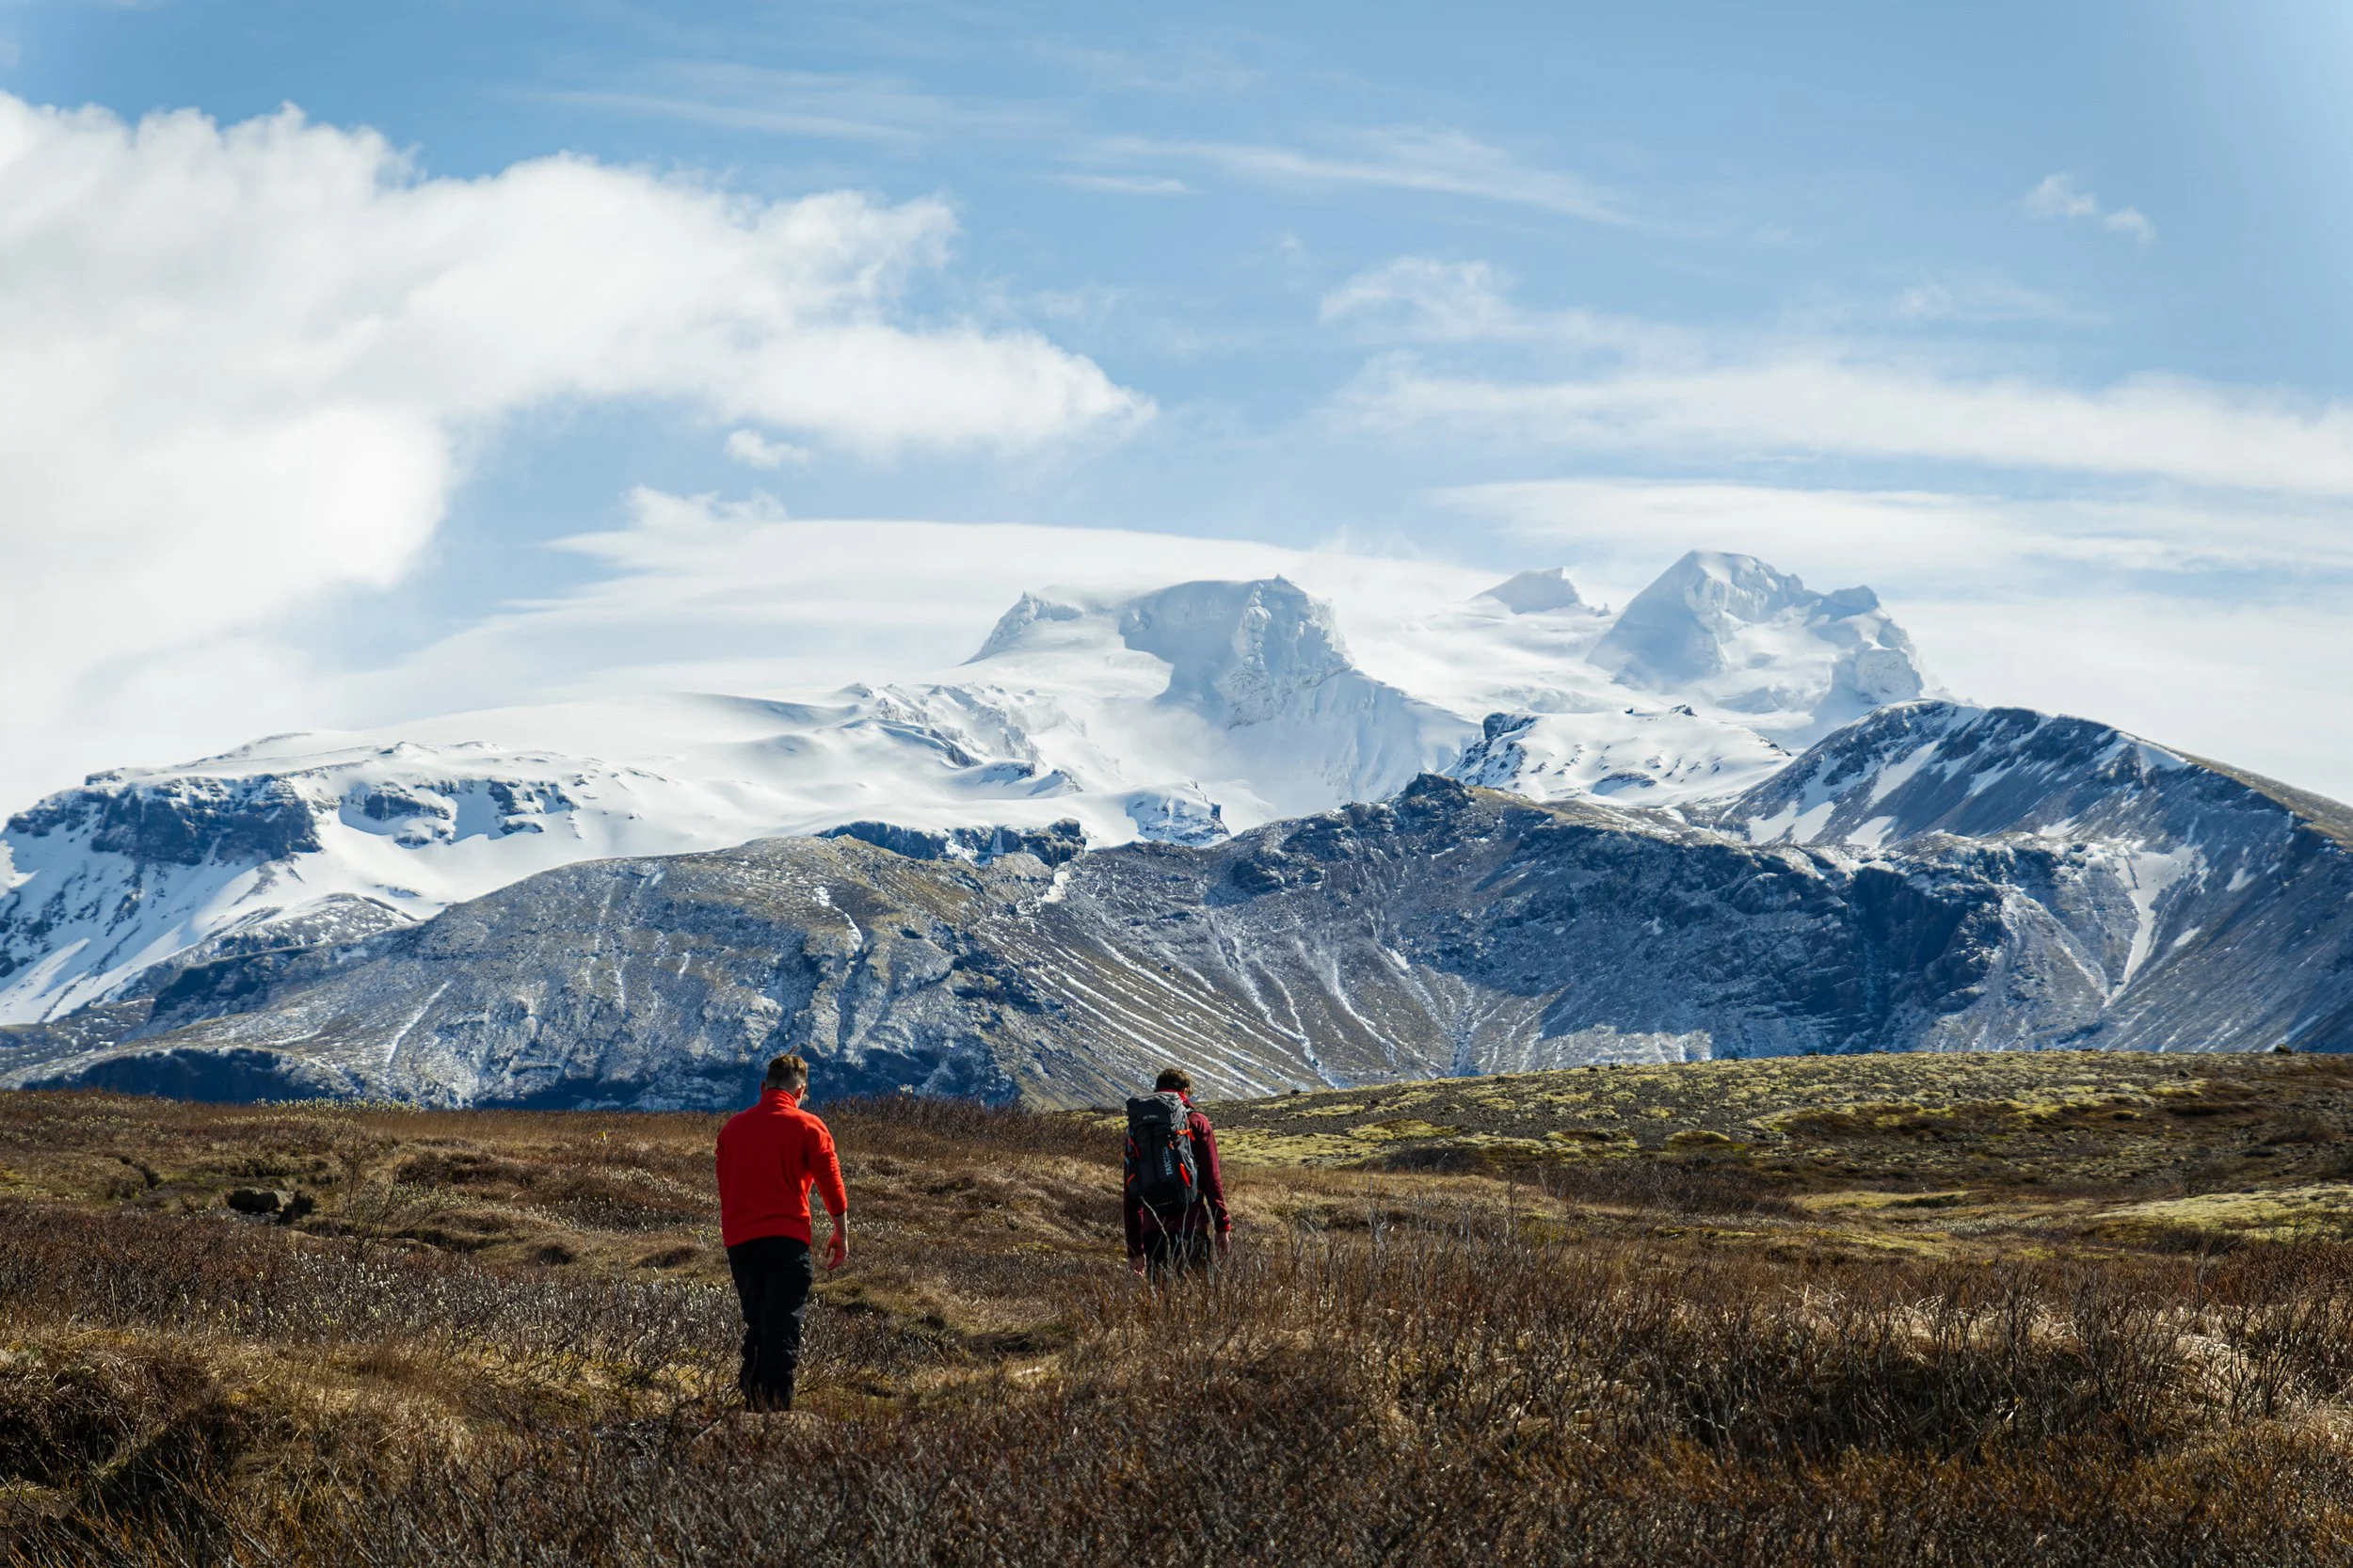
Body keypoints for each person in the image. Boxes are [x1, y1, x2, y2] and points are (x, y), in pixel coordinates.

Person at [715, 1052, 848, 1412]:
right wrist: (840, 1231)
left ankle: (751, 1405)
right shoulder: (809, 1127)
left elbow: (725, 1183)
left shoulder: (732, 1129)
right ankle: (775, 1413)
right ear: (800, 1091)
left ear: (763, 1087)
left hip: (741, 1242)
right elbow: (831, 1180)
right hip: (786, 1241)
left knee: (756, 1324)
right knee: (782, 1327)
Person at [1123, 1066, 1232, 1276]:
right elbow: (1212, 1180)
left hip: (1153, 1231)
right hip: (1191, 1225)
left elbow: (1130, 1191)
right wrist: (1222, 1226)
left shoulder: (1138, 1128)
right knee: (1197, 1301)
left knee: (1162, 1303)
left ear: (1157, 1090)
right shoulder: (1197, 1122)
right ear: (1186, 1090)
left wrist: (1134, 1248)